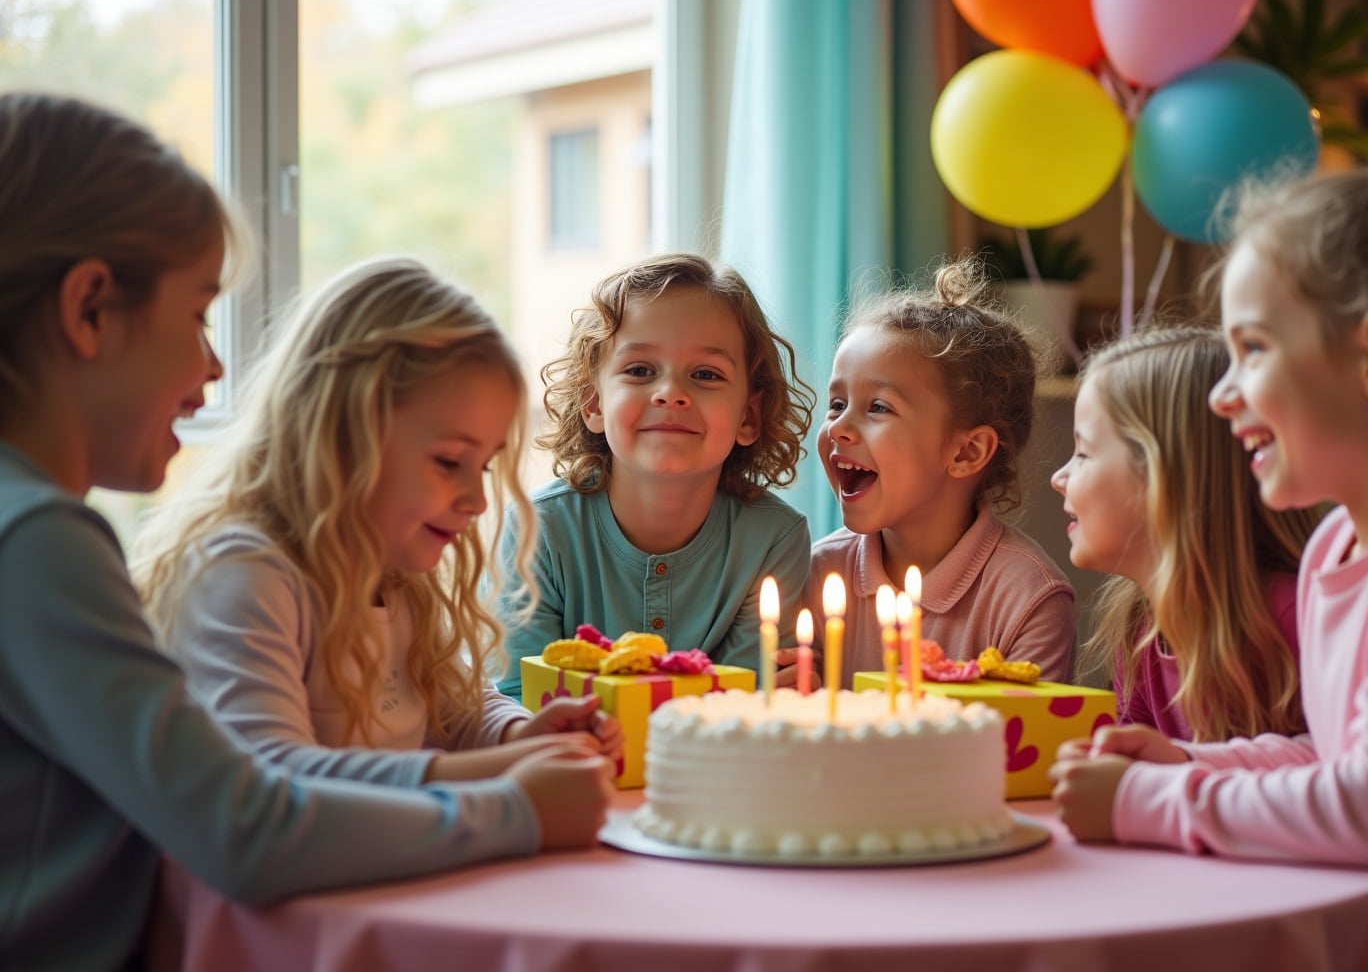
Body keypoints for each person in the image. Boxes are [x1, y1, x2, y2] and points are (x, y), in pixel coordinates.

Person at [0, 92, 611, 970]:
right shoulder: (38, 542)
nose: (214, 364)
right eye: (200, 313)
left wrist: (515, 743)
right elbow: (243, 818)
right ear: (90, 308)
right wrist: (513, 807)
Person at [1049, 155, 1368, 971]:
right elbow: (1338, 757)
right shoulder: (1337, 549)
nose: (1222, 394)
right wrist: (1196, 759)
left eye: (1254, 350)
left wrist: (1153, 800)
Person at [136, 258, 622, 785]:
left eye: (482, 467)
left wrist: (522, 736)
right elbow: (274, 780)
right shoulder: (245, 576)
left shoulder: (396, 578)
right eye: (447, 463)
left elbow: (460, 704)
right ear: (342, 437)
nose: (478, 501)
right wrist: (509, 771)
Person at [496, 253, 815, 697]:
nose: (670, 394)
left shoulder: (774, 541)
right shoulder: (538, 531)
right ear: (594, 403)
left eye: (706, 374)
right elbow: (521, 698)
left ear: (749, 414)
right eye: (640, 371)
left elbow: (745, 709)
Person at [807, 259, 1075, 688]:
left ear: (967, 452)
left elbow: (1021, 748)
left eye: (878, 407)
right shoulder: (818, 573)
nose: (837, 427)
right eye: (837, 404)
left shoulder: (1027, 599)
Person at [1050, 327, 1319, 742]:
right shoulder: (1140, 630)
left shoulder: (1295, 622)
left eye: (1083, 452)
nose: (1058, 477)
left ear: (1164, 479)